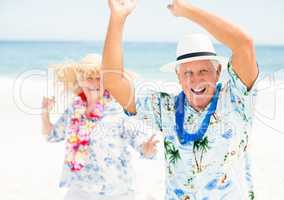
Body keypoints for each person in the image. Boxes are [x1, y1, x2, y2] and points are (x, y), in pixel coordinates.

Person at [102, 0, 259, 199]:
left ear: (218, 71)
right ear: (178, 77)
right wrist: (118, 18)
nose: (195, 79)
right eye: (187, 73)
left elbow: (244, 44)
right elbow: (113, 81)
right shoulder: (166, 108)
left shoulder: (236, 99)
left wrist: (186, 10)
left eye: (203, 71)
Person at [41, 54, 158, 200]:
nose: (95, 83)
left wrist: (147, 148)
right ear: (81, 81)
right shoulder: (75, 109)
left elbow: (141, 144)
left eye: (99, 79)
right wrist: (45, 111)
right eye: (89, 78)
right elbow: (51, 134)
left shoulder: (119, 110)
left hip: (115, 191)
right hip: (80, 188)